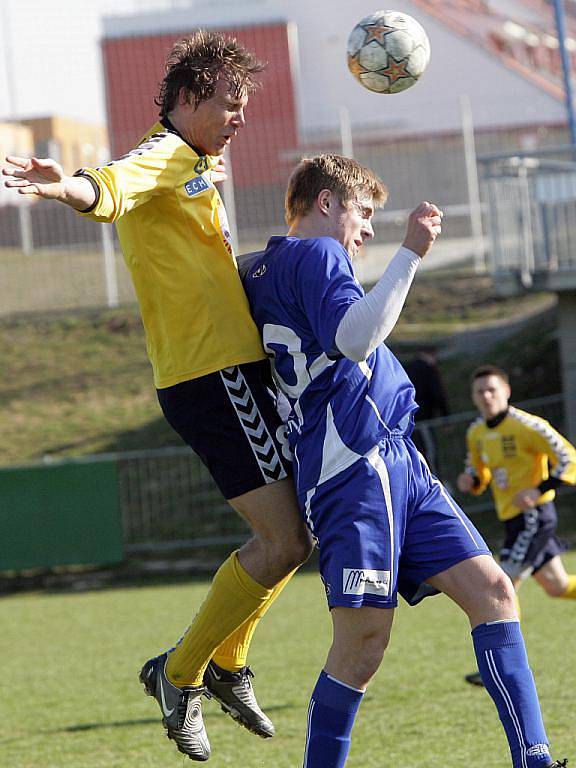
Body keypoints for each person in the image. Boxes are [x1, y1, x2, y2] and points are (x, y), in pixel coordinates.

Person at [3, 31, 313, 762]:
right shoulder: (167, 153)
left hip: (228, 372)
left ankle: (227, 661)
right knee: (288, 539)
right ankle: (180, 674)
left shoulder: (197, 163)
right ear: (186, 100)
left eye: (243, 105)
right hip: (216, 376)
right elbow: (110, 188)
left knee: (295, 538)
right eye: (229, 106)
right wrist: (65, 185)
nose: (239, 119)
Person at [241, 153, 567, 768]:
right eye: (362, 213)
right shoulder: (313, 255)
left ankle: (535, 758)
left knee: (495, 590)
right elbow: (355, 336)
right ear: (326, 203)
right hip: (354, 467)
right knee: (361, 648)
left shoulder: (267, 267)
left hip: (394, 459)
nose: (367, 230)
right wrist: (411, 251)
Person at [457, 364, 576, 686]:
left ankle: (505, 667)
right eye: (480, 391)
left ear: (506, 391)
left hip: (534, 517)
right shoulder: (476, 432)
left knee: (501, 586)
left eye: (492, 389)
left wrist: (540, 488)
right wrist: (472, 480)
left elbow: (569, 458)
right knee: (558, 586)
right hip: (512, 519)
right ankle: (506, 664)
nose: (485, 396)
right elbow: (479, 470)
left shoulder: (528, 425)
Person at [403, 345, 449, 475]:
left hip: (406, 420)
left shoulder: (407, 368)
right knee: (429, 452)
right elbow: (438, 393)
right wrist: (445, 417)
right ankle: (434, 481)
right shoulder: (428, 369)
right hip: (423, 418)